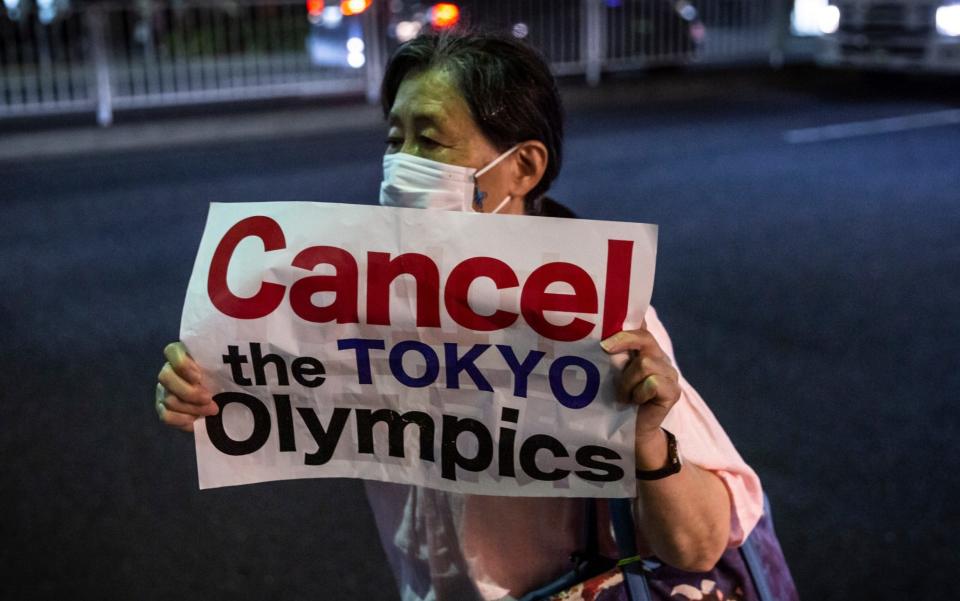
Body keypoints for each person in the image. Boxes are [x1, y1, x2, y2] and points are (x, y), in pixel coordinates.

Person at [155, 31, 763, 601]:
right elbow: (287, 394)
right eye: (395, 139)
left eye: (430, 139)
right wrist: (216, 389)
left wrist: (647, 439)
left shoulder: (595, 318)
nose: (401, 162)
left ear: (521, 167)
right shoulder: (362, 297)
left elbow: (699, 545)